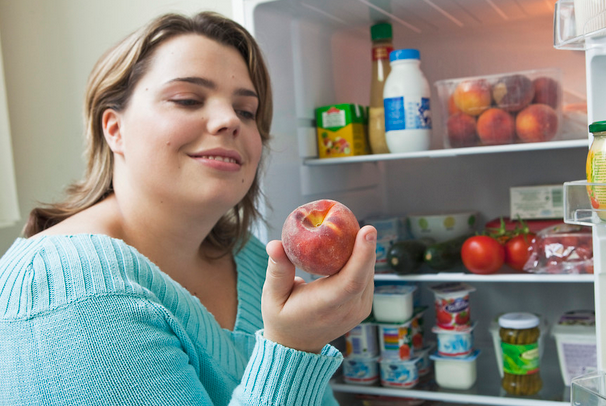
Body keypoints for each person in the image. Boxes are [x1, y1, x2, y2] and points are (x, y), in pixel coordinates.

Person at [0, 11, 377, 406]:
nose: (229, 119)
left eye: (246, 111)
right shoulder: (68, 290)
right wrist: (295, 346)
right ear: (114, 129)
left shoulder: (244, 254)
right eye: (187, 99)